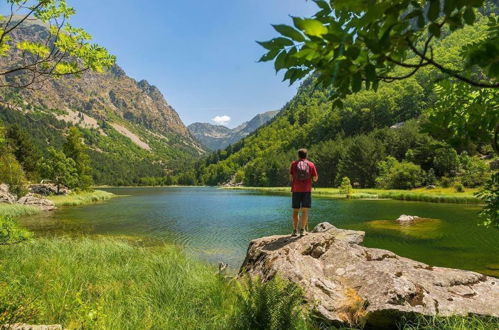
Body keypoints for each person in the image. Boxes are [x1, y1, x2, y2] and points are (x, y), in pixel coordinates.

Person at [289, 148, 318, 237]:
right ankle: (302, 230)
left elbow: (291, 177)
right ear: (306, 155)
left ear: (298, 155)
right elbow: (315, 178)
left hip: (296, 190)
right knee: (305, 210)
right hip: (306, 190)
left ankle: (294, 231)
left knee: (295, 210)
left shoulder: (293, 164)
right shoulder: (311, 164)